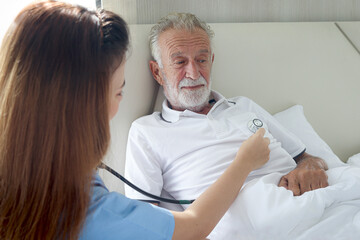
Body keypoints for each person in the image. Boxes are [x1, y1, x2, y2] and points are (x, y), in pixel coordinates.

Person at [0, 1, 270, 240]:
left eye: (201, 59)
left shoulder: (77, 184)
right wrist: (244, 162)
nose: (193, 71)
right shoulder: (88, 206)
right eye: (119, 92)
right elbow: (193, 227)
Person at [125, 12, 329, 207]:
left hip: (313, 202)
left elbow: (307, 158)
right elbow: (145, 221)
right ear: (157, 72)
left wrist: (311, 167)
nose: (194, 73)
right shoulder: (147, 132)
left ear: (211, 61)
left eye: (201, 60)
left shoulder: (243, 106)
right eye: (180, 62)